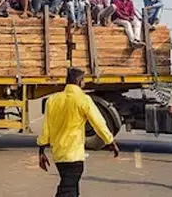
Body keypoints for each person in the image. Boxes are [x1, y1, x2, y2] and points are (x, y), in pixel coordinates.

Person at [38, 68, 119, 197]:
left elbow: (45, 128)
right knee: (68, 189)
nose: (84, 84)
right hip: (73, 154)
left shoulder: (52, 100)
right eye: (83, 81)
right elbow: (98, 123)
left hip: (59, 154)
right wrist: (110, 141)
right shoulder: (83, 99)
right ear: (78, 81)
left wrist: (41, 151)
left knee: (72, 189)